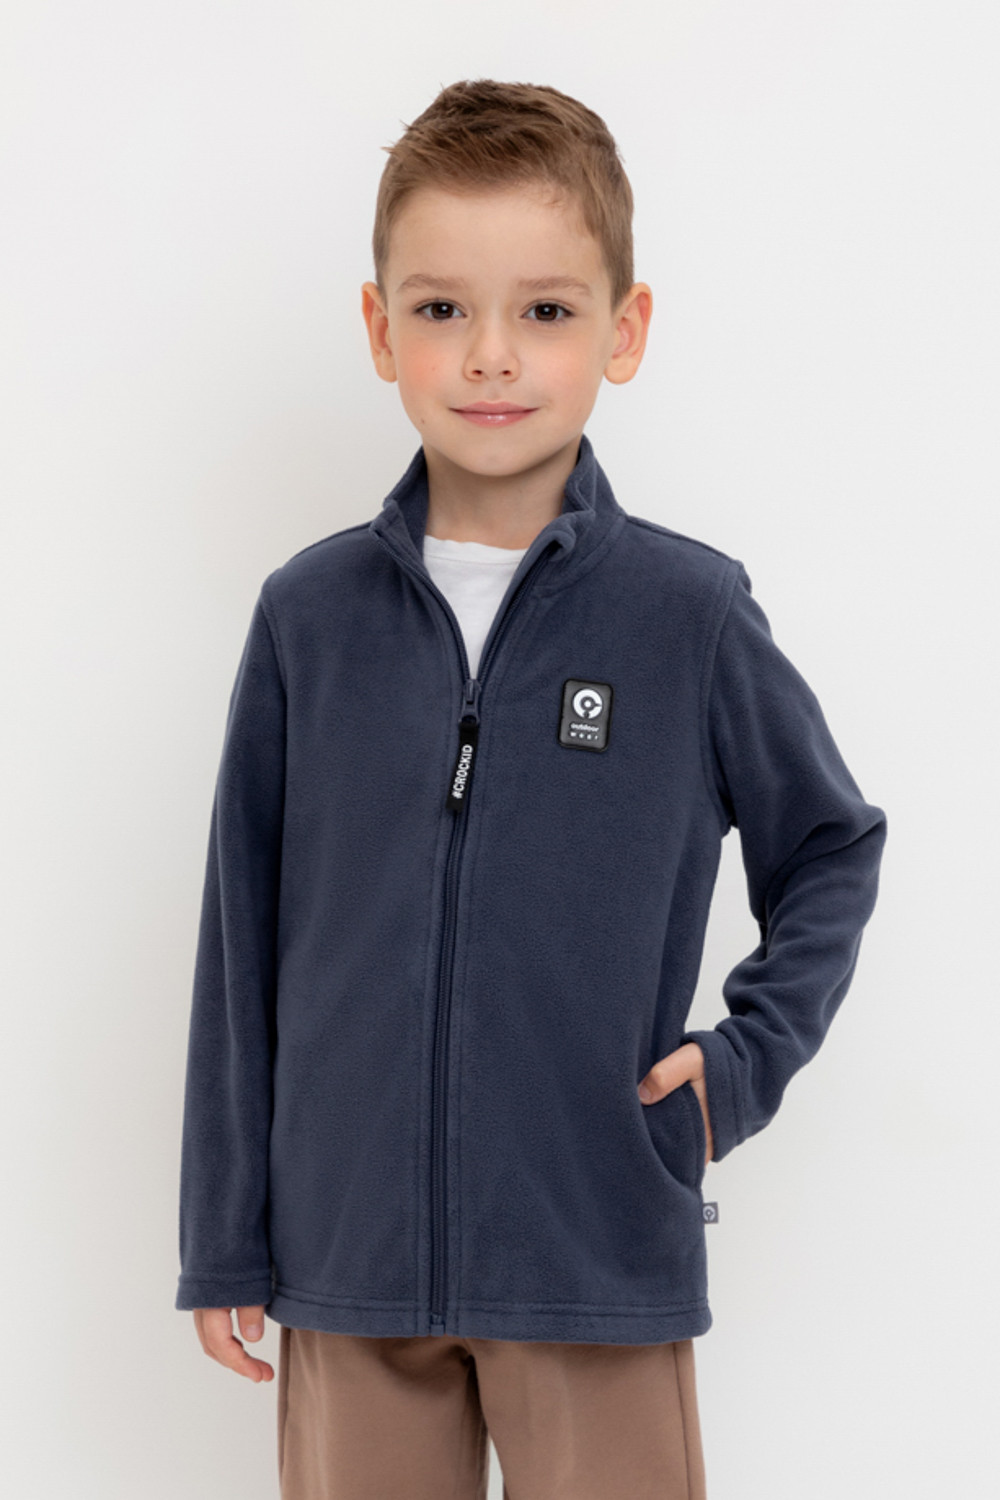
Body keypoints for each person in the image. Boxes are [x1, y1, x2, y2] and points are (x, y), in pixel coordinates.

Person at [175, 79, 887, 1499]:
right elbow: (239, 939)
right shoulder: (310, 618)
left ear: (624, 330)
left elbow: (831, 845)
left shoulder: (686, 615)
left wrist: (738, 1068)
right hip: (348, 1261)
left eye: (546, 310)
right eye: (442, 308)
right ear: (380, 327)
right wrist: (225, 1232)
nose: (491, 354)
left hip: (593, 1248)